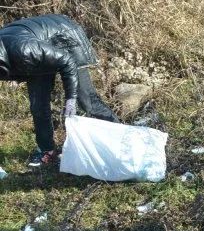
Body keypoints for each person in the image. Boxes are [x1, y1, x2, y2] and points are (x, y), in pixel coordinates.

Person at [0, 14, 119, 167]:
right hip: (38, 48)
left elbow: (67, 61)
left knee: (86, 100)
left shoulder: (25, 50)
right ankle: (47, 150)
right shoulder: (11, 55)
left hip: (65, 39)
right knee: (38, 105)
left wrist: (71, 98)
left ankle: (120, 135)